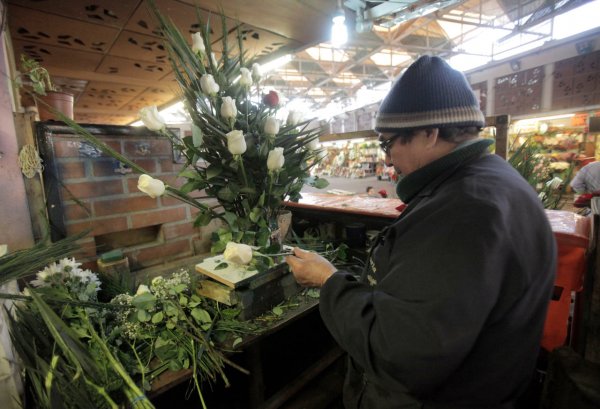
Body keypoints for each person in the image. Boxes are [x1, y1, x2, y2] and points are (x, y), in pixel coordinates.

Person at [286, 56, 556, 409]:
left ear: (429, 133)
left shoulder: (461, 214)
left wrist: (330, 281)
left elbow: (397, 356)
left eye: (388, 144)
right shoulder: (497, 183)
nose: (386, 160)